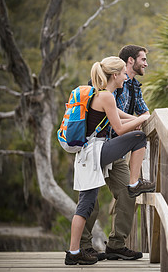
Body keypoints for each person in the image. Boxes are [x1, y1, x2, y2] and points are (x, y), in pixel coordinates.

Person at [65, 56, 155, 265]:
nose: (126, 77)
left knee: (85, 205)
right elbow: (120, 129)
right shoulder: (106, 96)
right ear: (115, 75)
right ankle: (134, 183)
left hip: (91, 153)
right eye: (124, 73)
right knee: (138, 137)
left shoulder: (104, 94)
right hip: (95, 151)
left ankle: (74, 252)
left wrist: (136, 118)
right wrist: (142, 119)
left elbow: (118, 115)